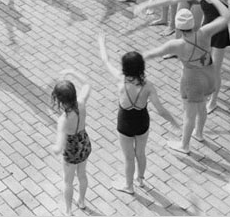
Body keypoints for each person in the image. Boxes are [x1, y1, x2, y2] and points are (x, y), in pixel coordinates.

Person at [136, 0, 230, 114]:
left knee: (216, 71)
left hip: (219, 34)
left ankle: (213, 101)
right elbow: (173, 0)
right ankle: (205, 91)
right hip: (205, 32)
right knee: (205, 66)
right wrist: (146, 5)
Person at [142, 0, 230, 153]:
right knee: (202, 106)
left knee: (189, 114)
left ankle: (184, 145)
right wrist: (216, 0)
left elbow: (149, 55)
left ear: (178, 26)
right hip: (209, 75)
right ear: (192, 23)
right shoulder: (205, 32)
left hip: (192, 81)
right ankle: (199, 133)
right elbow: (227, 17)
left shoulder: (176, 45)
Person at [98, 35, 178, 194]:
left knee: (128, 157)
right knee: (140, 153)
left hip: (125, 124)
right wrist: (174, 122)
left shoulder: (121, 81)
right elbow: (160, 110)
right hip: (142, 122)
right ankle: (140, 179)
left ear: (125, 68)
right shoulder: (148, 86)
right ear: (141, 67)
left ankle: (128, 186)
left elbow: (106, 60)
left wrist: (102, 43)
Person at [51, 69, 92, 216]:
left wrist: (54, 148)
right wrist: (72, 72)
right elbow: (87, 83)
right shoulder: (81, 103)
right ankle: (81, 201)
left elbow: (59, 146)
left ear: (61, 100)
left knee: (68, 181)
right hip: (84, 143)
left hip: (71, 149)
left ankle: (68, 211)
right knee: (82, 174)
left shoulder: (63, 120)